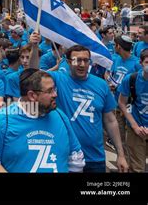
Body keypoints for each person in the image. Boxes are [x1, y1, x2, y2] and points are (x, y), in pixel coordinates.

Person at [37, 41, 129, 173]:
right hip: (65, 157)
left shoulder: (101, 85)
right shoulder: (58, 79)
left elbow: (110, 120)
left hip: (95, 158)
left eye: (86, 60)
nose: (82, 64)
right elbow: (33, 74)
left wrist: (120, 154)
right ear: (68, 62)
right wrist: (34, 46)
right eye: (77, 60)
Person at [0, 69, 85, 173]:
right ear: (32, 95)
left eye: (55, 89)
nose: (55, 95)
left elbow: (76, 158)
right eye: (50, 91)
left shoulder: (61, 116)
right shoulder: (3, 119)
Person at [117, 49, 148, 173]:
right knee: (137, 167)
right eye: (147, 62)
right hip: (136, 129)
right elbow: (121, 103)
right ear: (141, 63)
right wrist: (135, 126)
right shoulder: (131, 79)